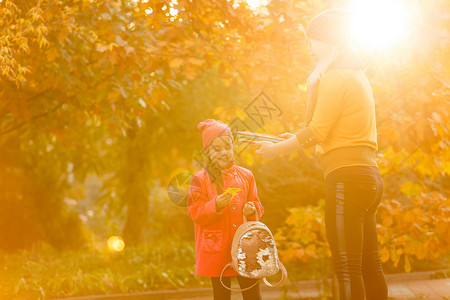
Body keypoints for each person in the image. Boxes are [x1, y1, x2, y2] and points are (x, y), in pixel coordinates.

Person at [255, 8, 388, 300]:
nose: (310, 48)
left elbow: (317, 131)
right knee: (369, 266)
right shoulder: (356, 75)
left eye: (313, 40)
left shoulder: (336, 76)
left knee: (347, 268)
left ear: (327, 41)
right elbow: (333, 130)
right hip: (368, 178)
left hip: (347, 181)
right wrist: (294, 139)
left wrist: (276, 150)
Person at [188, 119, 264, 300]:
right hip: (217, 247)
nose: (224, 152)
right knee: (221, 295)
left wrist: (251, 210)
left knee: (253, 294)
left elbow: (257, 205)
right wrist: (216, 204)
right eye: (217, 149)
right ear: (208, 152)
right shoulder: (201, 179)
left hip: (244, 247)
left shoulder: (246, 176)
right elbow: (195, 212)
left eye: (227, 147)